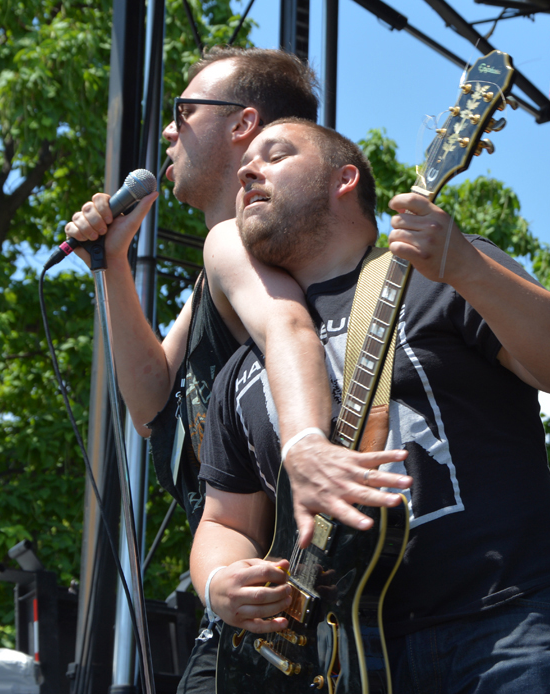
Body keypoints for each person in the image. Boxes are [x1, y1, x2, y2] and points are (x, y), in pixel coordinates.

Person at [193, 118, 550, 693]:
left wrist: (465, 264)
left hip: (505, 627)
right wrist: (219, 581)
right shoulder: (242, 369)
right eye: (246, 165)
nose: (247, 169)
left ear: (345, 179)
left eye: (277, 154)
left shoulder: (440, 276)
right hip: (339, 663)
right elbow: (224, 519)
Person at [63, 49, 408, 693]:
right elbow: (153, 409)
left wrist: (304, 441)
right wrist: (112, 265)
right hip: (279, 608)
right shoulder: (219, 266)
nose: (169, 131)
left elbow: (288, 329)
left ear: (242, 124)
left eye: (184, 112)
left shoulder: (230, 247)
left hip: (292, 600)